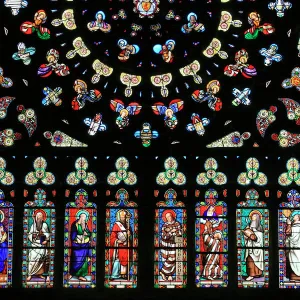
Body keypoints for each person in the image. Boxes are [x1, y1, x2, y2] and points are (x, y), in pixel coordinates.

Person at [26, 211, 50, 282]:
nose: (39, 218)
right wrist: (32, 236)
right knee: (32, 259)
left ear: (43, 218)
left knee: (42, 260)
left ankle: (40, 273)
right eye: (37, 217)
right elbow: (29, 234)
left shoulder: (45, 225)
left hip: (42, 244)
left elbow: (48, 234)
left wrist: (46, 240)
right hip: (34, 244)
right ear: (36, 218)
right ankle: (30, 274)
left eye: (40, 217)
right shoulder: (33, 225)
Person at [160, 210, 182, 281]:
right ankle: (169, 275)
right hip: (165, 245)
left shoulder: (177, 223)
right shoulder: (164, 225)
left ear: (172, 216)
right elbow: (164, 236)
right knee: (167, 259)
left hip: (174, 244)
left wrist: (169, 232)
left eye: (169, 216)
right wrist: (172, 232)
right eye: (167, 217)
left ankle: (163, 272)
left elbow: (179, 233)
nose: (168, 218)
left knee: (173, 259)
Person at [110, 210, 132, 280]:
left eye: (124, 216)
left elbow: (132, 238)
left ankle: (124, 274)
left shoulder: (128, 226)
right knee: (117, 260)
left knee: (126, 259)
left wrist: (130, 235)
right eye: (122, 216)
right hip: (119, 246)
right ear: (119, 217)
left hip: (127, 246)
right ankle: (114, 275)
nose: (123, 218)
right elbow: (112, 237)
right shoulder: (116, 225)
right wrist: (117, 241)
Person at [69, 212, 91, 282]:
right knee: (76, 259)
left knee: (84, 260)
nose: (84, 219)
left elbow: (89, 233)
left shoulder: (85, 225)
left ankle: (81, 275)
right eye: (83, 217)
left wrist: (87, 234)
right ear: (80, 217)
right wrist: (79, 236)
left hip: (85, 245)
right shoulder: (74, 225)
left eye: (85, 218)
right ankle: (72, 273)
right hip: (77, 245)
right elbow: (73, 235)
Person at [243, 212, 264, 281]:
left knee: (254, 260)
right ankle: (251, 274)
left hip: (257, 248)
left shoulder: (260, 228)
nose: (252, 217)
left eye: (254, 216)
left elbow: (260, 238)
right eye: (252, 216)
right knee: (249, 260)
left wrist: (254, 236)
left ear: (257, 218)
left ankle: (258, 273)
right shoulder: (249, 226)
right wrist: (247, 234)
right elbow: (247, 237)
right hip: (250, 247)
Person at [285, 211, 300, 281]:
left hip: (296, 248)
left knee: (295, 259)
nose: (293, 216)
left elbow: (288, 232)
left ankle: (297, 275)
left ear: (298, 217)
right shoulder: (294, 225)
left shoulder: (296, 226)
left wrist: (288, 224)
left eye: (295, 215)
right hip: (295, 247)